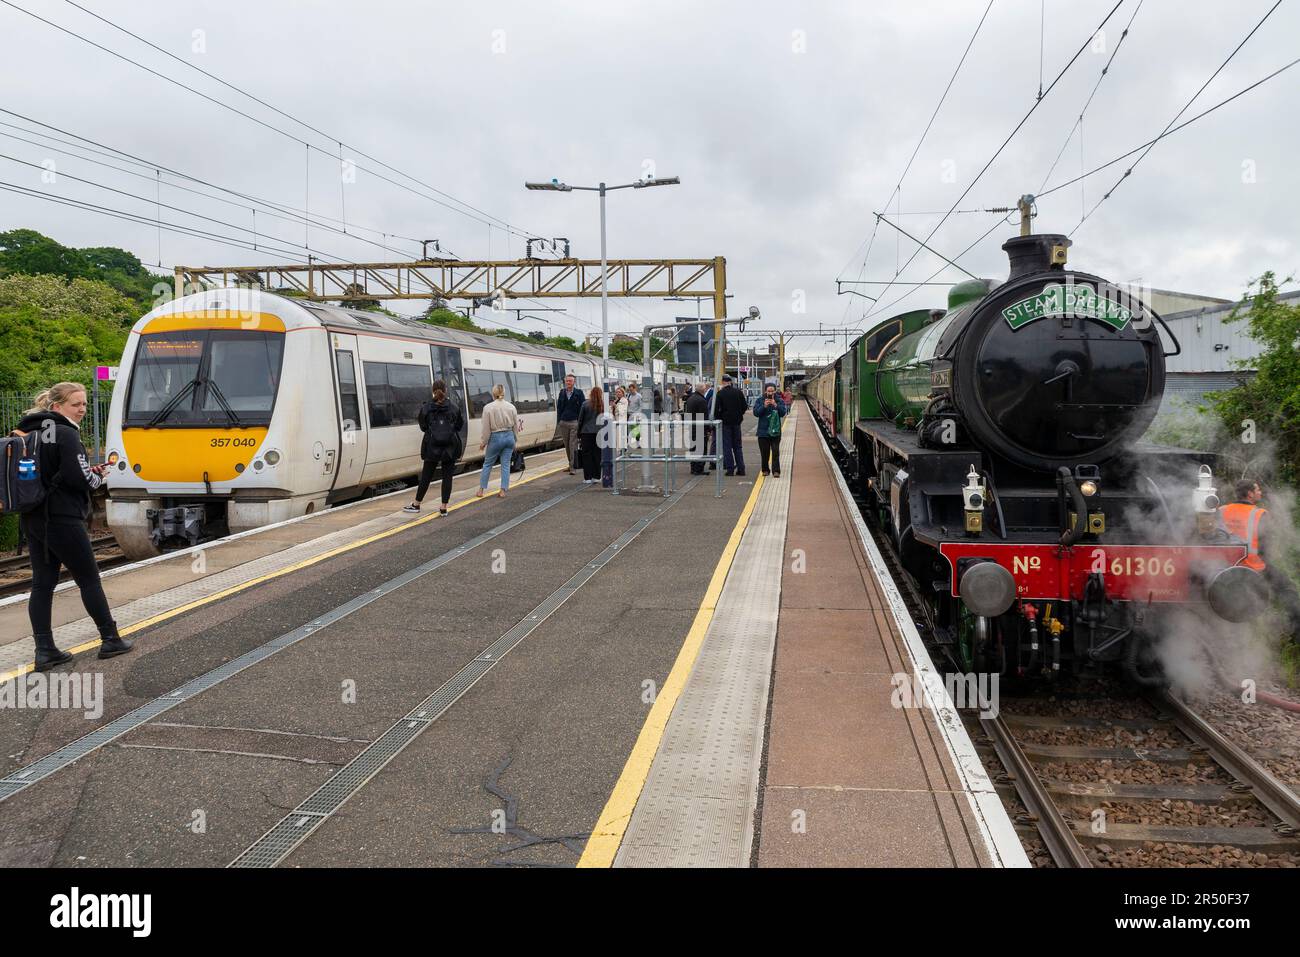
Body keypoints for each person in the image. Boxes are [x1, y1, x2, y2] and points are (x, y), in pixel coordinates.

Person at [15, 382, 132, 670]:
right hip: (63, 518)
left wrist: (80, 472)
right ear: (57, 407)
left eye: (83, 404)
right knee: (88, 579)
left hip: (33, 517)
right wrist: (99, 477)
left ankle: (44, 650)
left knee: (42, 583)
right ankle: (110, 639)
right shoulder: (65, 434)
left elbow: (55, 470)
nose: (81, 409)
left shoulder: (28, 432)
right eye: (75, 404)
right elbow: (79, 479)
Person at [1221, 479, 1300, 640]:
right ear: (1250, 494)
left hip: (1222, 567)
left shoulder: (1221, 510)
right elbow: (1265, 548)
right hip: (1252, 567)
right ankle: (1296, 632)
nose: (1260, 493)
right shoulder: (1259, 514)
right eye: (1257, 490)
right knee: (1288, 590)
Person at [404, 379, 464, 515]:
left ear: (433, 391)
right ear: (446, 390)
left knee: (426, 475)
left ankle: (416, 504)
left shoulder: (426, 408)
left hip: (432, 447)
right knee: (447, 476)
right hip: (450, 447)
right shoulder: (454, 407)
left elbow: (423, 427)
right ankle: (443, 508)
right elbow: (459, 426)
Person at [476, 383, 518, 498]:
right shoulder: (511, 407)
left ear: (493, 393)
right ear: (504, 393)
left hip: (495, 437)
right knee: (505, 465)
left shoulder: (488, 408)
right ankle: (503, 490)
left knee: (488, 464)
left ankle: (481, 490)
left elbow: (486, 428)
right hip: (509, 436)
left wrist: (483, 443)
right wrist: (515, 440)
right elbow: (515, 426)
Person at [714, 374, 748, 476]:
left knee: (727, 446)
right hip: (737, 423)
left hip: (725, 424)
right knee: (738, 446)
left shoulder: (720, 394)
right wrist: (739, 415)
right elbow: (744, 406)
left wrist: (720, 417)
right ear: (730, 382)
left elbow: (716, 410)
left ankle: (730, 469)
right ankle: (741, 468)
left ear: (723, 382)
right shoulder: (738, 392)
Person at [753, 383, 788, 478]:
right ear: (765, 391)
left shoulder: (779, 400)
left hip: (775, 431)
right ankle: (765, 470)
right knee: (764, 452)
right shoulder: (760, 400)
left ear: (775, 391)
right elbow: (756, 413)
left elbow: (783, 413)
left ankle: (776, 471)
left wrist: (775, 405)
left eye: (772, 391)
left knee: (775, 451)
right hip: (763, 431)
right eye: (769, 391)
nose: (770, 393)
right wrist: (764, 406)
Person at [554, 373, 585, 475]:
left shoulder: (579, 393)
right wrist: (559, 421)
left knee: (573, 445)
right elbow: (559, 408)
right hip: (564, 422)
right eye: (567, 381)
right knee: (567, 445)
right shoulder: (562, 393)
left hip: (574, 422)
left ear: (574, 382)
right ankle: (570, 464)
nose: (568, 383)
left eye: (570, 381)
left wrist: (580, 422)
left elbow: (582, 408)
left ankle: (573, 467)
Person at [576, 385, 607, 484]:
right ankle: (597, 477)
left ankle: (587, 478)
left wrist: (578, 433)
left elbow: (580, 420)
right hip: (599, 433)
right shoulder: (603, 405)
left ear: (591, 394)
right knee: (597, 455)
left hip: (586, 433)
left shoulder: (585, 404)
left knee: (587, 455)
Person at [683, 380, 710, 475]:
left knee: (693, 448)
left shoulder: (691, 398)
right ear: (703, 390)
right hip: (700, 428)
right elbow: (704, 417)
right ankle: (699, 469)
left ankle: (693, 468)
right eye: (705, 389)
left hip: (692, 427)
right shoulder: (702, 401)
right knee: (701, 449)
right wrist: (708, 429)